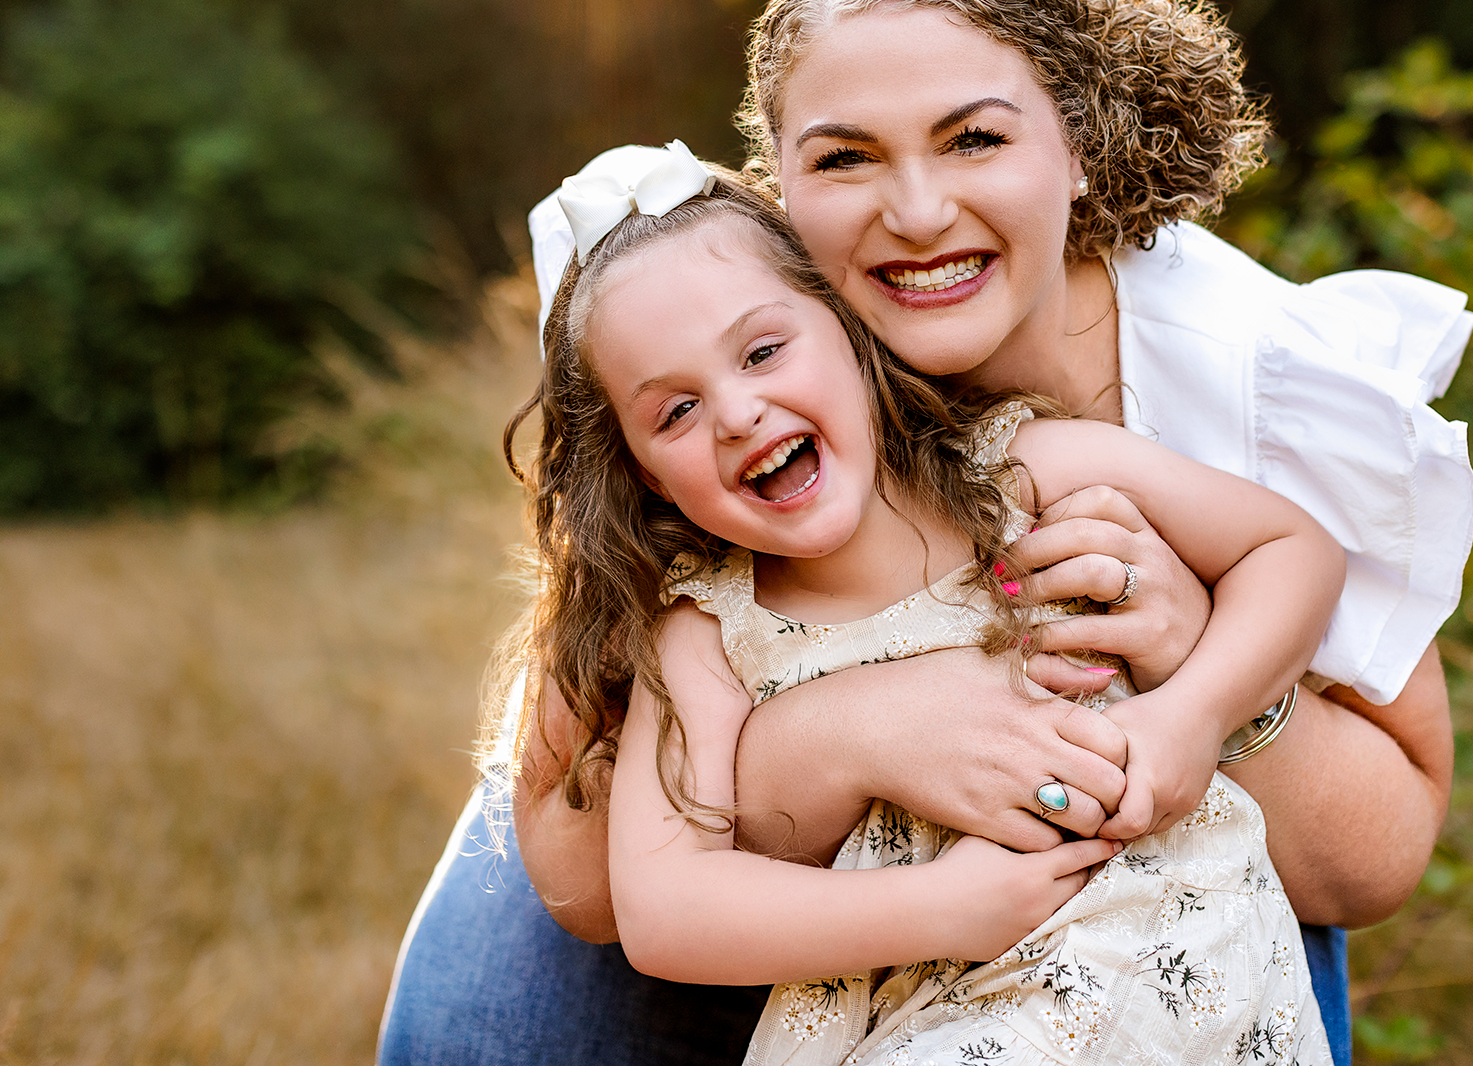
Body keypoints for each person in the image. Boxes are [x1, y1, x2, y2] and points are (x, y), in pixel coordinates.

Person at [379, 0, 1472, 1066]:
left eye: (975, 139)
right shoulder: (762, 361)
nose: (913, 212)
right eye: (844, 158)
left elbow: (1374, 856)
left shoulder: (1247, 375)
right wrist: (850, 730)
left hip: (1144, 861)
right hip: (845, 909)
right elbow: (587, 886)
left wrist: (1193, 655)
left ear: (1078, 136)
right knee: (473, 1027)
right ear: (780, 196)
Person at [515, 150, 1342, 1064]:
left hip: (1198, 982)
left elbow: (1291, 549)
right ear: (644, 476)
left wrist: (1193, 715)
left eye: (762, 351)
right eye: (674, 412)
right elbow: (665, 910)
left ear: (849, 331)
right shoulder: (708, 635)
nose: (739, 413)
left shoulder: (1021, 475)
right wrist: (941, 910)